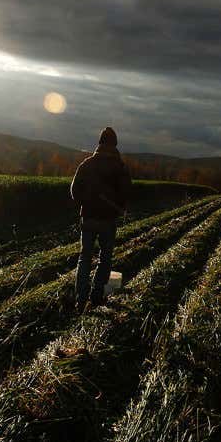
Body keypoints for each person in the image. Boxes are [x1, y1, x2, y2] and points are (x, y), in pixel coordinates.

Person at [70, 127, 132, 313]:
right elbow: (127, 192)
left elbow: (74, 191)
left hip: (88, 218)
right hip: (108, 219)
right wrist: (119, 206)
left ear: (99, 142)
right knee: (105, 259)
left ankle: (80, 300)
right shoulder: (119, 167)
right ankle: (96, 297)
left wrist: (85, 204)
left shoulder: (86, 164)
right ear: (114, 144)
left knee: (85, 258)